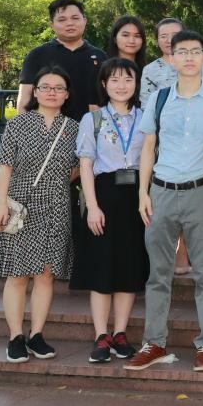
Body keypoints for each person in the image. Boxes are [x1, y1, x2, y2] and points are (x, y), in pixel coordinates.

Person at [125, 30, 203, 372]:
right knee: (158, 273)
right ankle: (154, 342)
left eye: (196, 51)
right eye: (182, 52)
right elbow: (148, 148)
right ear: (172, 57)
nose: (189, 57)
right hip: (161, 192)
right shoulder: (160, 98)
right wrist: (143, 193)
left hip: (201, 192)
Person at [0, 66, 80, 362]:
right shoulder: (18, 124)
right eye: (45, 87)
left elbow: (79, 167)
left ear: (67, 95)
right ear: (35, 92)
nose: (52, 92)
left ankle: (37, 334)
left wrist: (57, 183)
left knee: (46, 274)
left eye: (58, 88)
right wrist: (1, 204)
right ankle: (15, 336)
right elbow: (5, 167)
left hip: (57, 205)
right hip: (20, 203)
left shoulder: (74, 128)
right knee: (17, 273)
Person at [72, 58, 147, 363]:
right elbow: (85, 165)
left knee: (129, 266)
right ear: (104, 84)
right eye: (114, 80)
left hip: (137, 197)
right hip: (103, 196)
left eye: (128, 79)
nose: (121, 85)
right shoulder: (93, 119)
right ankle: (101, 335)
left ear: (136, 84)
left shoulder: (146, 117)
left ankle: (120, 333)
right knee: (102, 267)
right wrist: (92, 207)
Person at [18, 0, 107, 123]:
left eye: (75, 18)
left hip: (92, 129)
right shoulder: (37, 55)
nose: (70, 23)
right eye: (62, 19)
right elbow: (25, 99)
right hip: (47, 129)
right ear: (52, 25)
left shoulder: (100, 56)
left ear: (84, 21)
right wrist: (24, 129)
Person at [140, 18, 184, 104]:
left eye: (175, 35)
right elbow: (146, 104)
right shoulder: (150, 70)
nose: (170, 40)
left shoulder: (199, 64)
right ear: (157, 41)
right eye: (163, 36)